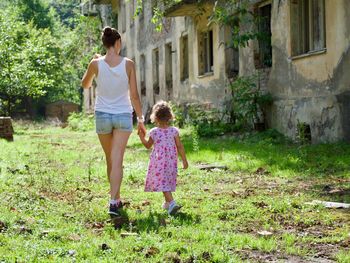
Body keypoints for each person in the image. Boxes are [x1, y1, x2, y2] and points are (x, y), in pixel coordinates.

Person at [81, 26, 146, 217]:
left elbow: (85, 84)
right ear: (117, 43)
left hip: (102, 115)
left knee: (111, 159)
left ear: (104, 44)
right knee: (117, 159)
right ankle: (113, 202)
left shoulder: (95, 63)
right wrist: (141, 119)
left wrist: (94, 66)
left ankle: (115, 200)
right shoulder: (128, 64)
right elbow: (134, 96)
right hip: (122, 116)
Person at [138, 101, 188, 215]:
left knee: (163, 181)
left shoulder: (154, 132)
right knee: (166, 181)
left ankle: (172, 203)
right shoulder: (174, 131)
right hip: (171, 161)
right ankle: (167, 203)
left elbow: (147, 145)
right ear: (170, 116)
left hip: (159, 162)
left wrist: (141, 137)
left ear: (154, 117)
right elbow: (179, 146)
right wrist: (184, 160)